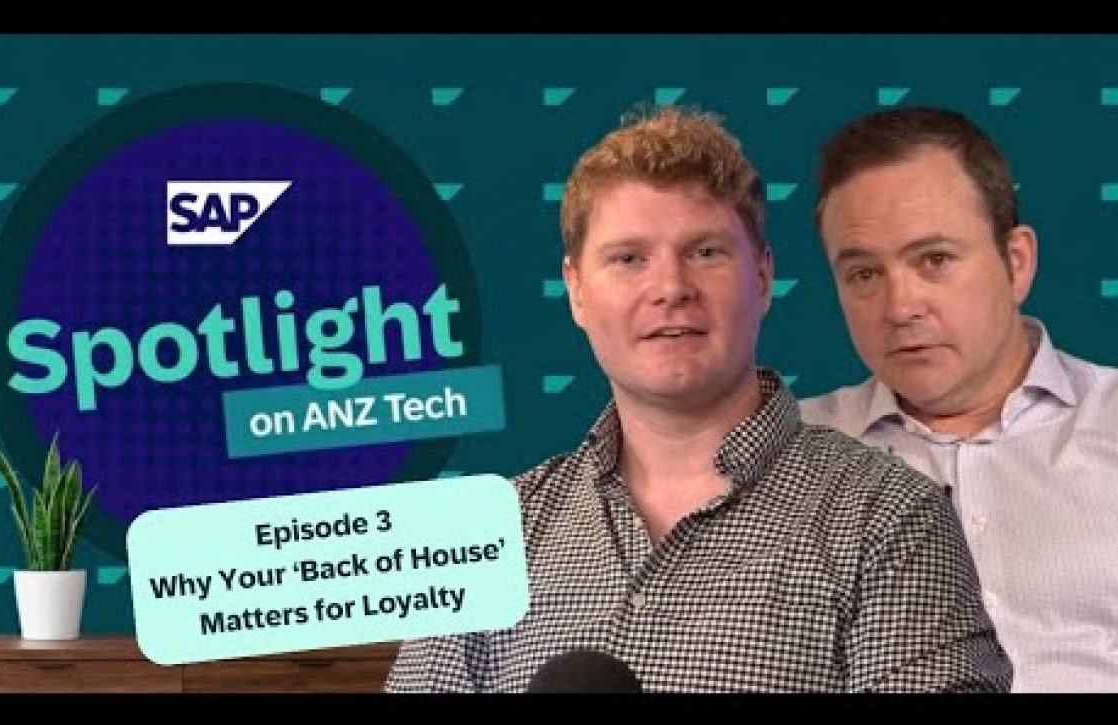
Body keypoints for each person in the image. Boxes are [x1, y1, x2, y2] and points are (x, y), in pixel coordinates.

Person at [386, 105, 1012, 693]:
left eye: (705, 252)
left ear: (762, 277)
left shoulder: (892, 519)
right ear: (576, 291)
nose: (670, 288)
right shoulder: (493, 535)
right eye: (628, 258)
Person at [799, 105, 1118, 692]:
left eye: (935, 260)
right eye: (864, 274)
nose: (900, 307)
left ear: (1016, 263)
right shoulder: (786, 455)